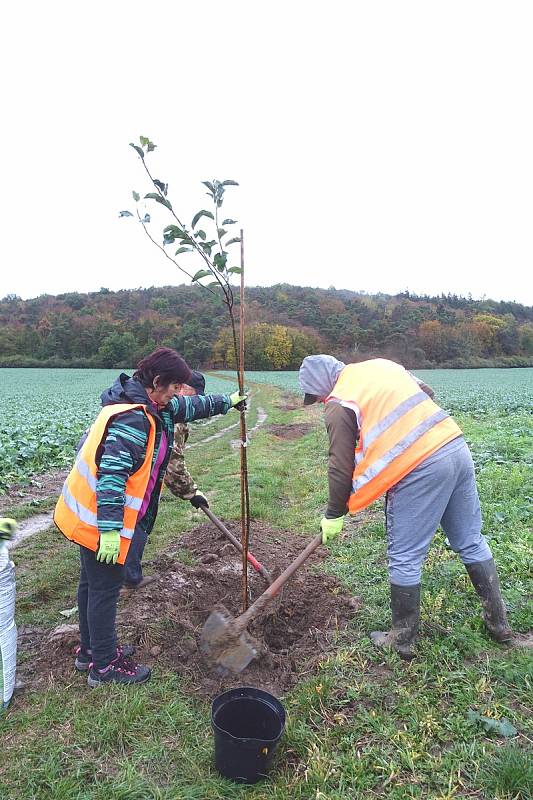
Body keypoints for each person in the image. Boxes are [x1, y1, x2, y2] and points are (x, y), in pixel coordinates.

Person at [54, 347, 246, 686]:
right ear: (157, 382)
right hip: (100, 519)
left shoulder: (153, 405)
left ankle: (90, 652)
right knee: (104, 589)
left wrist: (227, 402)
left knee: (91, 584)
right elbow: (111, 477)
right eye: (173, 387)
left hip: (87, 515)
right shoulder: (134, 419)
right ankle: (104, 666)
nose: (177, 394)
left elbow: (191, 406)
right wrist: (111, 531)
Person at [299, 354, 511, 659]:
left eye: (316, 396)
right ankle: (500, 627)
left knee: (404, 556)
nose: (320, 401)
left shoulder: (339, 402)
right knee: (471, 540)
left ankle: (402, 639)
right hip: (454, 446)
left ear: (322, 385)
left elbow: (339, 465)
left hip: (419, 468)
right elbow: (426, 393)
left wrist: (334, 514)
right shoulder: (380, 366)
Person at [122, 369, 209, 590]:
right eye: (195, 395)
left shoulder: (156, 403)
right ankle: (129, 578)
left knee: (131, 519)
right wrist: (191, 493)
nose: (196, 402)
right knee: (138, 519)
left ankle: (123, 572)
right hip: (135, 481)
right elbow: (173, 464)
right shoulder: (172, 415)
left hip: (132, 478)